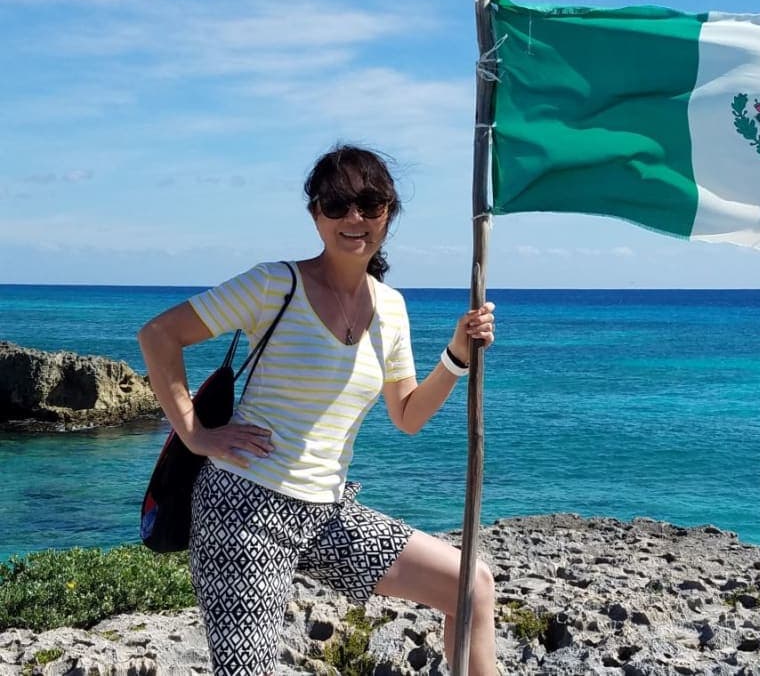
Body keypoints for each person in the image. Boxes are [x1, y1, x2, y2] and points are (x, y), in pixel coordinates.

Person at [138, 144, 497, 675]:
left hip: (326, 511)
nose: (354, 218)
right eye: (336, 204)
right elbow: (159, 335)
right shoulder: (274, 284)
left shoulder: (391, 308)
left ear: (389, 213)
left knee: (471, 586)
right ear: (315, 214)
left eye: (369, 204)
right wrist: (195, 434)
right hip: (243, 510)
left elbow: (408, 415)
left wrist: (457, 355)